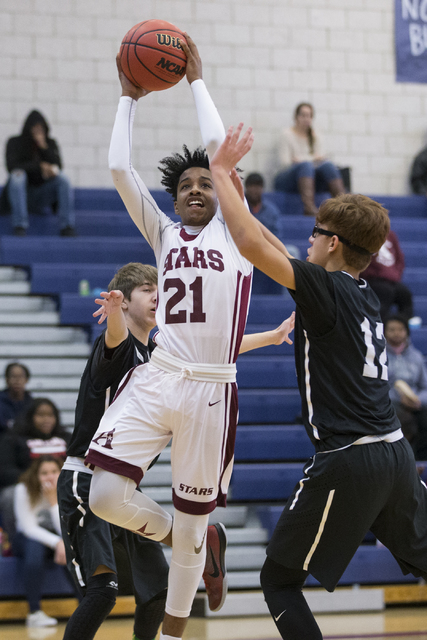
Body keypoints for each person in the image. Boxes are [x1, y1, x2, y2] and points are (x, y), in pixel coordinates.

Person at [84, 37, 295, 640]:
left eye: (208, 183)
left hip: (211, 390)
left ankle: (179, 615)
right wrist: (128, 99)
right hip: (160, 376)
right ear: (175, 200)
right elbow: (120, 171)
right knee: (105, 495)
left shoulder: (238, 236)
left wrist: (197, 81)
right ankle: (193, 538)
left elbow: (221, 158)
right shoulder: (164, 237)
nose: (198, 189)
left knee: (190, 520)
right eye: (187, 187)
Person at [208, 122, 427, 640]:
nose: (306, 241)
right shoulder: (363, 293)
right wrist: (245, 201)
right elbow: (271, 243)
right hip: (395, 453)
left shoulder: (325, 289)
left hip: (350, 458)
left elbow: (250, 245)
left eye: (314, 235)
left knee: (278, 580)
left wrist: (219, 171)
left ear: (330, 244)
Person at [59, 261, 293, 640]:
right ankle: (200, 538)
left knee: (158, 592)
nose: (157, 295)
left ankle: (203, 540)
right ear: (125, 298)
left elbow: (215, 351)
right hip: (84, 478)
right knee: (103, 593)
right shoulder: (118, 345)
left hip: (124, 485)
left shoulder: (162, 356)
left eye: (160, 288)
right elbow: (116, 335)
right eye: (146, 289)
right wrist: (115, 311)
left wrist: (271, 335)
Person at [0, 110, 75, 236]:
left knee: (63, 179)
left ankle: (67, 226)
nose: (37, 132)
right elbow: (12, 166)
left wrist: (43, 147)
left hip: (41, 194)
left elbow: (58, 167)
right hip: (20, 193)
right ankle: (20, 224)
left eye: (41, 129)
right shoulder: (15, 142)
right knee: (18, 175)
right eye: (35, 128)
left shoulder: (50, 144)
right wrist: (39, 166)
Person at [13, 455, 68, 627]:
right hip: (27, 539)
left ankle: (86, 607)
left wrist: (53, 501)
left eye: (54, 472)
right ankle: (34, 612)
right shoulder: (23, 489)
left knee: (74, 547)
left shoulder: (66, 490)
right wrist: (58, 543)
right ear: (35, 475)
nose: (50, 476)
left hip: (55, 539)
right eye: (44, 473)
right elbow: (28, 528)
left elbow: (64, 530)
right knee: (34, 548)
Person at [273, 103, 345, 216]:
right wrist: (310, 160)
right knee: (306, 166)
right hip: (287, 180)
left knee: (328, 166)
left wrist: (299, 159)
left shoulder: (316, 136)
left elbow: (321, 160)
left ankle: (344, 206)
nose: (306, 119)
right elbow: (285, 163)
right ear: (296, 117)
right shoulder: (286, 135)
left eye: (309, 116)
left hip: (309, 180)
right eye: (303, 115)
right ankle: (309, 208)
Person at [385, 314, 427, 459]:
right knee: (406, 420)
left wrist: (418, 399)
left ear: (407, 332)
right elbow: (376, 387)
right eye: (392, 329)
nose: (397, 333)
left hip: (415, 400)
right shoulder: (379, 355)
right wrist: (400, 397)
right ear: (384, 332)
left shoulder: (416, 356)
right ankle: (404, 461)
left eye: (401, 329)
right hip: (391, 401)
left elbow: (424, 386)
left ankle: (421, 461)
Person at [361, 230, 414, 322]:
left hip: (392, 279)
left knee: (405, 294)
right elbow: (363, 259)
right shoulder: (365, 233)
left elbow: (399, 258)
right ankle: (381, 325)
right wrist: (374, 274)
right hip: (374, 279)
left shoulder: (391, 235)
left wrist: (395, 275)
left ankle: (403, 327)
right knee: (385, 292)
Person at [244, 172, 281, 236]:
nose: (254, 190)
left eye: (257, 186)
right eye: (251, 186)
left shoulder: (271, 211)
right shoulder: (240, 207)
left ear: (262, 188)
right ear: (246, 188)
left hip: (265, 244)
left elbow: (277, 235)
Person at [0, 362, 33, 430]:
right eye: (13, 376)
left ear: (26, 380)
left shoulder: (32, 404)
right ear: (7, 379)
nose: (17, 381)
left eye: (20, 377)